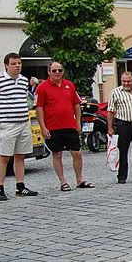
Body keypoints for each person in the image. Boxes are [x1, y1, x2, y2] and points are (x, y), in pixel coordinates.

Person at [35, 62, 94, 191]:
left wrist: (78, 122)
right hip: (53, 127)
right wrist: (43, 127)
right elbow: (39, 108)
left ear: (63, 71)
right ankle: (63, 182)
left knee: (77, 153)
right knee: (57, 154)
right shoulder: (42, 87)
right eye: (54, 70)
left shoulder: (69, 85)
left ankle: (79, 180)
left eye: (59, 70)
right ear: (49, 72)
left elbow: (76, 105)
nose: (57, 73)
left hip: (70, 125)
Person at [0, 53, 38, 200]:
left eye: (19, 63)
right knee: (4, 157)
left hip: (23, 122)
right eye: (14, 63)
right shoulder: (0, 80)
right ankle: (0, 187)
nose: (17, 66)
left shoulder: (23, 81)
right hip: (7, 123)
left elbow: (28, 99)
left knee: (21, 155)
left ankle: (20, 186)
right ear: (6, 65)